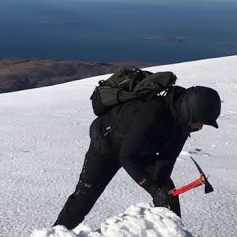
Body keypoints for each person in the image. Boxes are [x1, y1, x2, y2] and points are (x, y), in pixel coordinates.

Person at [54, 85, 221, 229]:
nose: (200, 127)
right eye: (199, 121)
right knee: (83, 198)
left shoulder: (182, 123)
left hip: (140, 150)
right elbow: (127, 158)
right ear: (189, 112)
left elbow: (167, 158)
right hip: (106, 146)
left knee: (168, 193)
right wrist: (153, 189)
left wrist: (161, 189)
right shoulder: (151, 114)